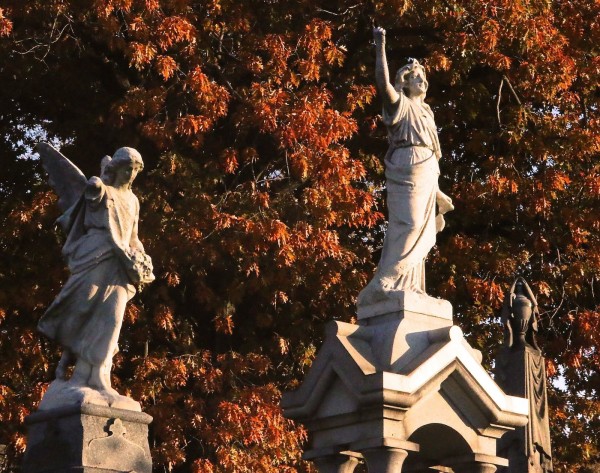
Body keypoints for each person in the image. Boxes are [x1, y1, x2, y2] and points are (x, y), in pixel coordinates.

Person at [38, 147, 154, 398]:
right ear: (116, 168)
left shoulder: (133, 201)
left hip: (119, 264)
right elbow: (92, 192)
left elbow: (133, 237)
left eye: (135, 171)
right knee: (81, 311)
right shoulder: (102, 191)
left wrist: (142, 258)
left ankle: (99, 376)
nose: (131, 175)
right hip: (93, 256)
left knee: (112, 319)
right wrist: (97, 183)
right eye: (127, 169)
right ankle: (77, 374)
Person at [358, 27, 453, 306]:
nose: (421, 80)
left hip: (426, 168)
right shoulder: (400, 104)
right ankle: (385, 282)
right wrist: (380, 45)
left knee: (422, 228)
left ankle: (411, 288)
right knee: (409, 224)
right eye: (415, 78)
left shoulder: (427, 113)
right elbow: (382, 83)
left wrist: (436, 188)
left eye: (423, 77)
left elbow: (434, 154)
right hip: (406, 165)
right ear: (405, 82)